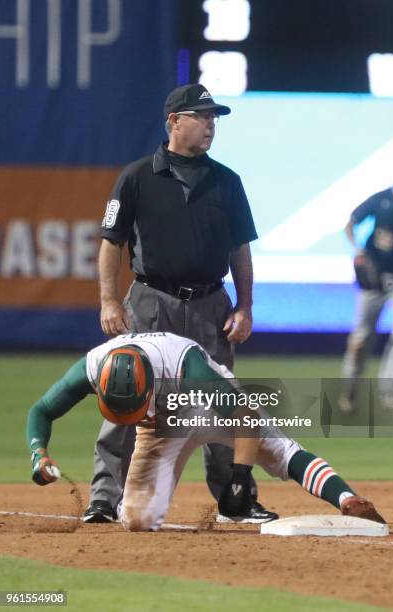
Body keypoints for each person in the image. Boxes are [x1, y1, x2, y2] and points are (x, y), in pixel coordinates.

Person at [88, 83, 267, 523]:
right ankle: (103, 499)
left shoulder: (227, 181)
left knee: (221, 402)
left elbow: (240, 250)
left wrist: (244, 307)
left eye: (214, 118)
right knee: (125, 392)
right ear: (174, 122)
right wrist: (109, 300)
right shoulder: (136, 177)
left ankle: (233, 500)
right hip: (152, 301)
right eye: (202, 116)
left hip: (210, 305)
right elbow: (111, 244)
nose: (211, 125)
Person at [27, 331, 385, 530]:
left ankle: (347, 498)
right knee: (138, 519)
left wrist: (239, 476)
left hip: (207, 405)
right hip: (160, 428)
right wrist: (38, 453)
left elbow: (244, 416)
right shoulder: (93, 366)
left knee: (278, 450)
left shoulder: (188, 369)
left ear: (152, 381)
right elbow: (41, 410)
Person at [340, 157, 393, 414]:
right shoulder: (383, 200)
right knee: (361, 337)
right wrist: (357, 250)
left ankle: (390, 390)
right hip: (374, 276)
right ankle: (350, 388)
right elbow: (351, 223)